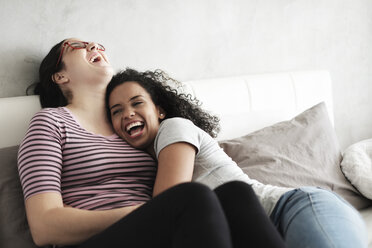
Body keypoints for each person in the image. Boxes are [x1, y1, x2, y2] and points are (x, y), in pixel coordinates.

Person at [17, 38, 287, 248]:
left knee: (236, 194)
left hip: (157, 232)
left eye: (98, 44)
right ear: (60, 76)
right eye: (76, 45)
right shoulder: (50, 122)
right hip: (94, 241)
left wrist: (161, 212)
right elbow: (44, 227)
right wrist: (148, 211)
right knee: (191, 196)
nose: (94, 45)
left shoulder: (132, 133)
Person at [106, 68, 369, 248]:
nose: (127, 113)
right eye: (117, 111)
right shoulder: (144, 161)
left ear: (160, 110)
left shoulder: (173, 128)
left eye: (137, 103)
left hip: (291, 207)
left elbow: (169, 205)